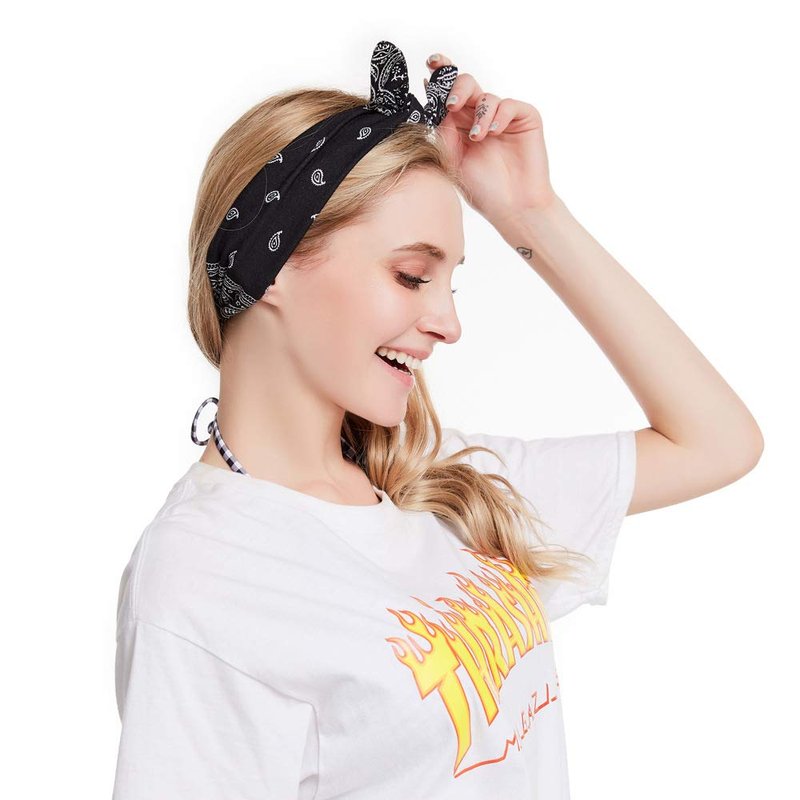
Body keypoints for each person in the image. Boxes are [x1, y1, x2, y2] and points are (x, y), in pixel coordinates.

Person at [111, 41, 763, 799]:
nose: (448, 325)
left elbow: (718, 441)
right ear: (273, 262)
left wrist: (528, 211)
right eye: (412, 275)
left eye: (450, 283)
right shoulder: (205, 576)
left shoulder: (443, 484)